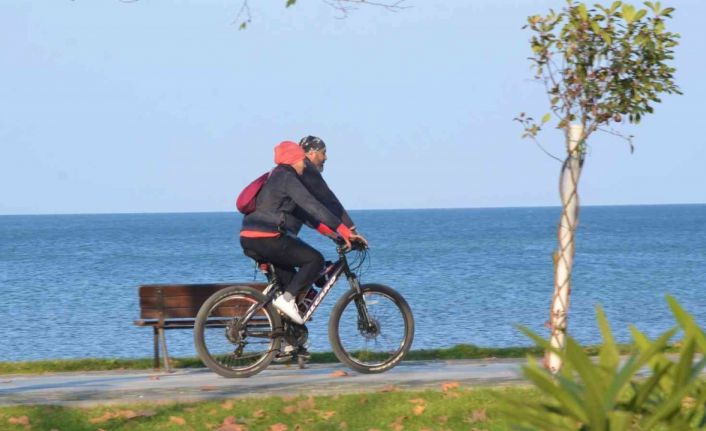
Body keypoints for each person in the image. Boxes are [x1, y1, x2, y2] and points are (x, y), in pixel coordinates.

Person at [240, 141, 364, 324]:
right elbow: (313, 206)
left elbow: (307, 216)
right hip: (268, 238)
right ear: (293, 159)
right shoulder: (288, 177)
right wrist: (344, 228)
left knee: (294, 286)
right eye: (301, 160)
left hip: (250, 239)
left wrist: (337, 236)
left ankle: (290, 345)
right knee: (314, 260)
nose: (304, 164)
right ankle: (287, 300)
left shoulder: (277, 178)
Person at [295, 136, 368, 245]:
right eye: (323, 153)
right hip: (277, 234)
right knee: (315, 260)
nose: (326, 158)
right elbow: (329, 200)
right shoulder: (308, 170)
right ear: (311, 153)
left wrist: (335, 235)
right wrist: (351, 230)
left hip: (272, 230)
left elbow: (309, 216)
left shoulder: (292, 170)